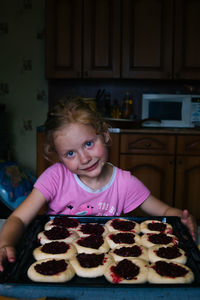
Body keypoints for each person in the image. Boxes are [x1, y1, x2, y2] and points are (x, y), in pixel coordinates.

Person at [0, 97, 196, 271]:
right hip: (58, 264)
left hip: (110, 267)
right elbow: (19, 219)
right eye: (70, 153)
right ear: (57, 155)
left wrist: (182, 218)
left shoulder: (125, 183)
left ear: (104, 134)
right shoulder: (55, 178)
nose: (84, 158)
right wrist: (4, 243)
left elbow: (164, 213)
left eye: (88, 144)